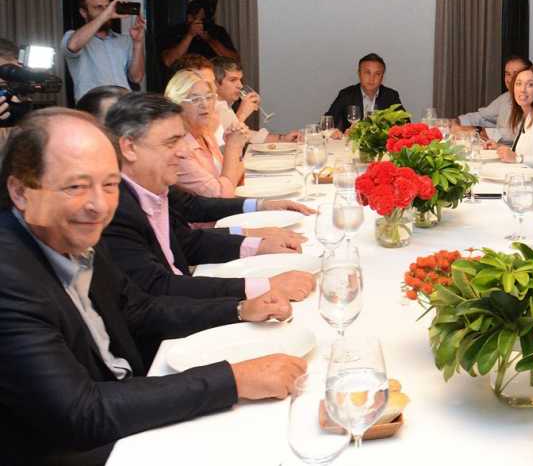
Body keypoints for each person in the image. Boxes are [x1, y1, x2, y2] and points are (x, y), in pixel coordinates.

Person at [0, 108, 305, 465]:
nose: (99, 205)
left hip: (122, 407)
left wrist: (240, 309)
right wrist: (234, 380)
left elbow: (139, 309)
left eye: (110, 184)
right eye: (76, 186)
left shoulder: (68, 232)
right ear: (20, 192)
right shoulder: (10, 275)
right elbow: (81, 412)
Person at [100, 92, 313, 305]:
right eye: (171, 143)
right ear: (129, 148)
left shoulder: (153, 185)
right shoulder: (115, 211)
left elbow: (186, 242)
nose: (184, 152)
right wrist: (263, 287)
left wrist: (258, 244)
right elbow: (160, 288)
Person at [164, 70, 246, 197]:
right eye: (195, 99)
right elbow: (221, 196)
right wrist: (232, 148)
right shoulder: (178, 150)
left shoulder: (204, 133)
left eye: (209, 97)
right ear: (176, 105)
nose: (205, 104)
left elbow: (237, 176)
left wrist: (232, 145)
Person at [62, 0, 146, 101]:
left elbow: (136, 78)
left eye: (107, 7)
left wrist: (138, 42)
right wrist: (105, 15)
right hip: (92, 105)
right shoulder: (72, 36)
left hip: (123, 103)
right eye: (99, 7)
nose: (106, 11)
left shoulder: (124, 40)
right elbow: (73, 45)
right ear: (83, 12)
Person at [453, 55, 533, 144]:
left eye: (516, 74)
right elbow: (484, 117)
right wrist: (456, 122)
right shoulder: (506, 97)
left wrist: (478, 131)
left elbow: (517, 133)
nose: (510, 79)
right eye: (507, 74)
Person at [212, 56, 299, 143]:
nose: (240, 85)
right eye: (233, 80)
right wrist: (242, 114)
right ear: (215, 83)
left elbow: (247, 135)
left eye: (240, 80)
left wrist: (282, 138)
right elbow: (226, 141)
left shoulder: (224, 105)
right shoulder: (210, 109)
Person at [326, 53, 405, 131]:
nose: (372, 79)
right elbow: (327, 123)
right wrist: (336, 133)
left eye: (377, 74)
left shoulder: (391, 96)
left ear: (382, 78)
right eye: (367, 73)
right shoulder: (346, 94)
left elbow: (405, 124)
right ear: (359, 74)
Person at [159, 0, 238, 69]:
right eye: (195, 17)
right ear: (189, 17)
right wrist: (190, 35)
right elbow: (169, 61)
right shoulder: (176, 31)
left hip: (212, 76)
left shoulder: (216, 31)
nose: (200, 22)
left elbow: (234, 60)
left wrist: (209, 39)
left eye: (203, 19)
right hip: (186, 76)